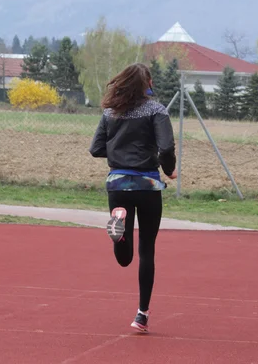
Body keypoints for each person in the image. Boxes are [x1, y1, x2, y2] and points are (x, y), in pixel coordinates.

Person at [89, 62, 177, 333]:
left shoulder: (110, 112)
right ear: (147, 82)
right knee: (147, 249)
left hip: (117, 184)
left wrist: (119, 154)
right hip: (148, 184)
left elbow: (96, 149)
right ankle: (142, 315)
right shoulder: (157, 111)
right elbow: (166, 147)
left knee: (124, 258)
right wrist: (169, 169)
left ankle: (120, 231)